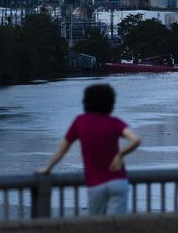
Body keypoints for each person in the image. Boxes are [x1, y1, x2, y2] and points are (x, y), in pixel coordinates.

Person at [37, 83, 141, 215]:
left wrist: (48, 168)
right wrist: (120, 155)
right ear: (110, 103)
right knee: (116, 228)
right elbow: (135, 140)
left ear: (86, 102)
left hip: (96, 184)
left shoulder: (80, 122)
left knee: (97, 227)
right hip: (118, 182)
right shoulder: (114, 122)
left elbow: (62, 149)